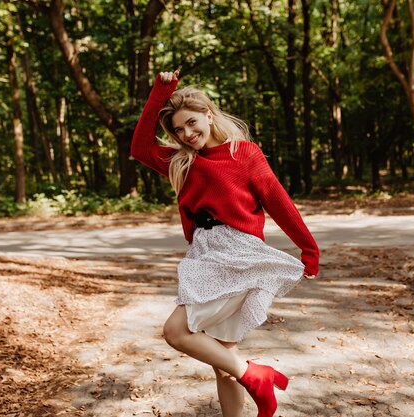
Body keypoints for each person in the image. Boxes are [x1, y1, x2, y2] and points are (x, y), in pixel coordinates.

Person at [131, 70, 319, 417]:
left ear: (208, 114)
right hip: (204, 254)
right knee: (223, 361)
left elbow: (278, 200)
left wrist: (308, 247)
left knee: (176, 331)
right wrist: (160, 93)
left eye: (191, 123)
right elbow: (139, 147)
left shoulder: (244, 154)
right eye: (177, 130)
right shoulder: (182, 162)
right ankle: (249, 380)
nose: (187, 134)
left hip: (237, 254)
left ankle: (255, 374)